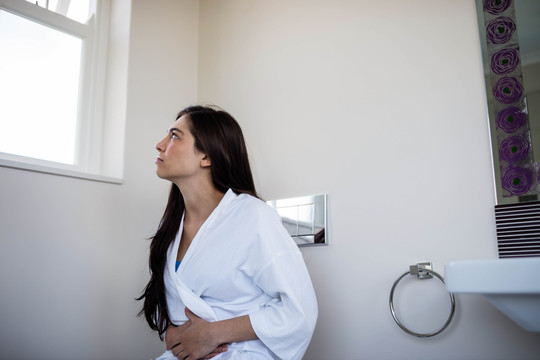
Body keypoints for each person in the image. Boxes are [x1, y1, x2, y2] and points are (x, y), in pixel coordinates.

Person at [137, 105, 318, 360]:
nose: (160, 144)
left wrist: (214, 333)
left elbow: (298, 310)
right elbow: (174, 302)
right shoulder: (169, 227)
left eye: (175, 136)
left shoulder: (253, 217)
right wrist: (171, 332)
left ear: (207, 157)